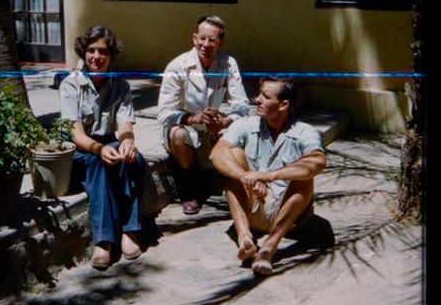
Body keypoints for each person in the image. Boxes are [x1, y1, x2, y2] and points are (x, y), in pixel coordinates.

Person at [210, 76, 326, 275]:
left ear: (283, 105)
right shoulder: (247, 124)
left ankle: (269, 247)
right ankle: (245, 239)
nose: (258, 100)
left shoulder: (304, 131)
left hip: (288, 215)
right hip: (253, 203)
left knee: (305, 174)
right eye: (259, 94)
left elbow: (318, 162)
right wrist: (245, 176)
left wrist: (268, 176)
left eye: (265, 96)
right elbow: (217, 153)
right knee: (232, 155)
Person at [60, 26, 146, 270]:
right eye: (91, 51)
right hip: (81, 148)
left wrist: (128, 142)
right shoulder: (71, 85)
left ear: (111, 55)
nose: (96, 57)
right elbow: (76, 134)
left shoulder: (121, 86)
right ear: (83, 52)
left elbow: (125, 124)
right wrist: (98, 149)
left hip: (108, 141)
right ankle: (104, 241)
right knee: (99, 164)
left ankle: (130, 231)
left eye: (103, 52)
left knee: (134, 159)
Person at [157, 15, 249, 214]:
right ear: (194, 39)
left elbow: (241, 104)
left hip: (213, 130)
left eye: (212, 40)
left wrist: (224, 121)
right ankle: (189, 189)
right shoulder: (177, 66)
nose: (206, 44)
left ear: (221, 43)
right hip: (186, 128)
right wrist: (193, 118)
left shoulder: (228, 64)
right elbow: (164, 113)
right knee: (177, 134)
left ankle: (236, 186)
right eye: (202, 38)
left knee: (244, 130)